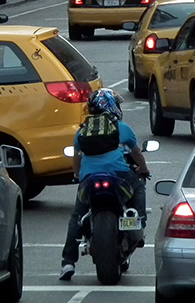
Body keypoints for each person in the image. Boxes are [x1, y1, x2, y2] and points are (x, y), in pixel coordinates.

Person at [59, 89, 150, 281]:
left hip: (90, 178)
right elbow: (136, 154)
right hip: (119, 175)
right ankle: (138, 221)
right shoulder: (121, 128)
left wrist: (78, 175)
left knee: (77, 215)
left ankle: (68, 262)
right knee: (139, 187)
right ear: (112, 106)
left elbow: (76, 158)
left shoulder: (82, 130)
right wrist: (143, 170)